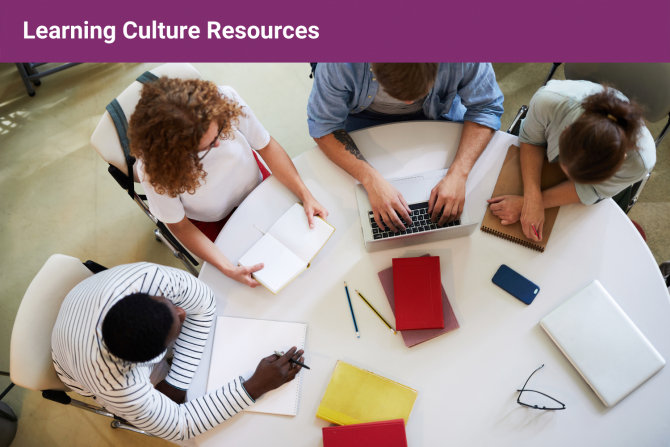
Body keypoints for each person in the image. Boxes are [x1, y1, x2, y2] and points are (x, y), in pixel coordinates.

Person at [51, 262, 305, 445]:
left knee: (189, 380)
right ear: (151, 359)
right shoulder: (118, 384)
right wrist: (254, 387)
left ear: (144, 297)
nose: (182, 313)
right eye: (177, 328)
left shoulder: (146, 277)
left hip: (82, 310)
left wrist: (176, 383)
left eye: (169, 305)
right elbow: (180, 427)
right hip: (76, 367)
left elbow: (203, 304)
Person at [129, 78, 328, 288]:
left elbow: (265, 145)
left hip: (255, 183)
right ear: (177, 153)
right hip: (210, 220)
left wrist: (305, 194)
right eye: (204, 147)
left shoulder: (224, 99)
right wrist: (228, 268)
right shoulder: (153, 169)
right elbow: (180, 226)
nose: (218, 143)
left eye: (219, 130)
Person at [307, 63, 504, 230]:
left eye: (420, 90)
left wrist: (459, 173)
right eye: (394, 90)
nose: (408, 102)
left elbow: (486, 107)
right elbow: (325, 126)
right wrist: (371, 180)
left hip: (438, 112)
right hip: (362, 117)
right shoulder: (338, 64)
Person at [487, 80, 656, 241]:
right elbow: (531, 140)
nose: (569, 179)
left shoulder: (640, 162)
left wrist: (532, 203)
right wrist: (532, 200)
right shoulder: (548, 100)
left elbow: (591, 190)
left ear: (621, 161)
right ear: (564, 132)